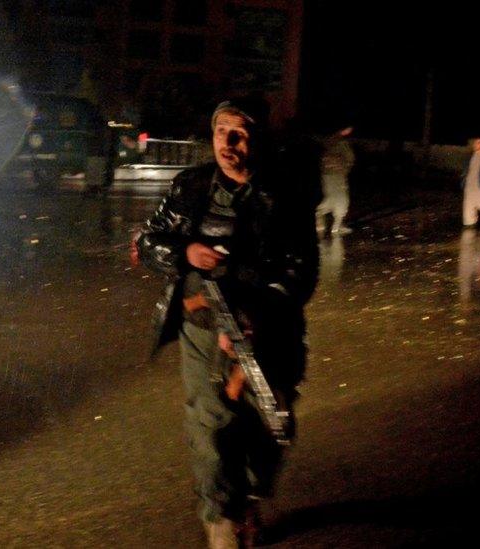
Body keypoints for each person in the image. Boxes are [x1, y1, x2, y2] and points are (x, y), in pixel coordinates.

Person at [137, 98, 320, 548]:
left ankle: (248, 497)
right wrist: (183, 254)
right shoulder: (191, 187)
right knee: (211, 426)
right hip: (201, 326)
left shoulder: (286, 194)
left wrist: (262, 313)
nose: (228, 143)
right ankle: (221, 517)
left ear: (258, 138)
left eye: (239, 133)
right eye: (222, 132)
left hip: (268, 331)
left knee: (272, 424)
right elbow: (149, 240)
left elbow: (301, 268)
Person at [317, 125, 355, 235]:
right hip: (335, 176)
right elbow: (346, 159)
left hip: (329, 175)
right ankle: (336, 226)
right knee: (340, 199)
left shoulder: (328, 142)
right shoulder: (337, 143)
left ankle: (324, 223)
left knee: (331, 197)